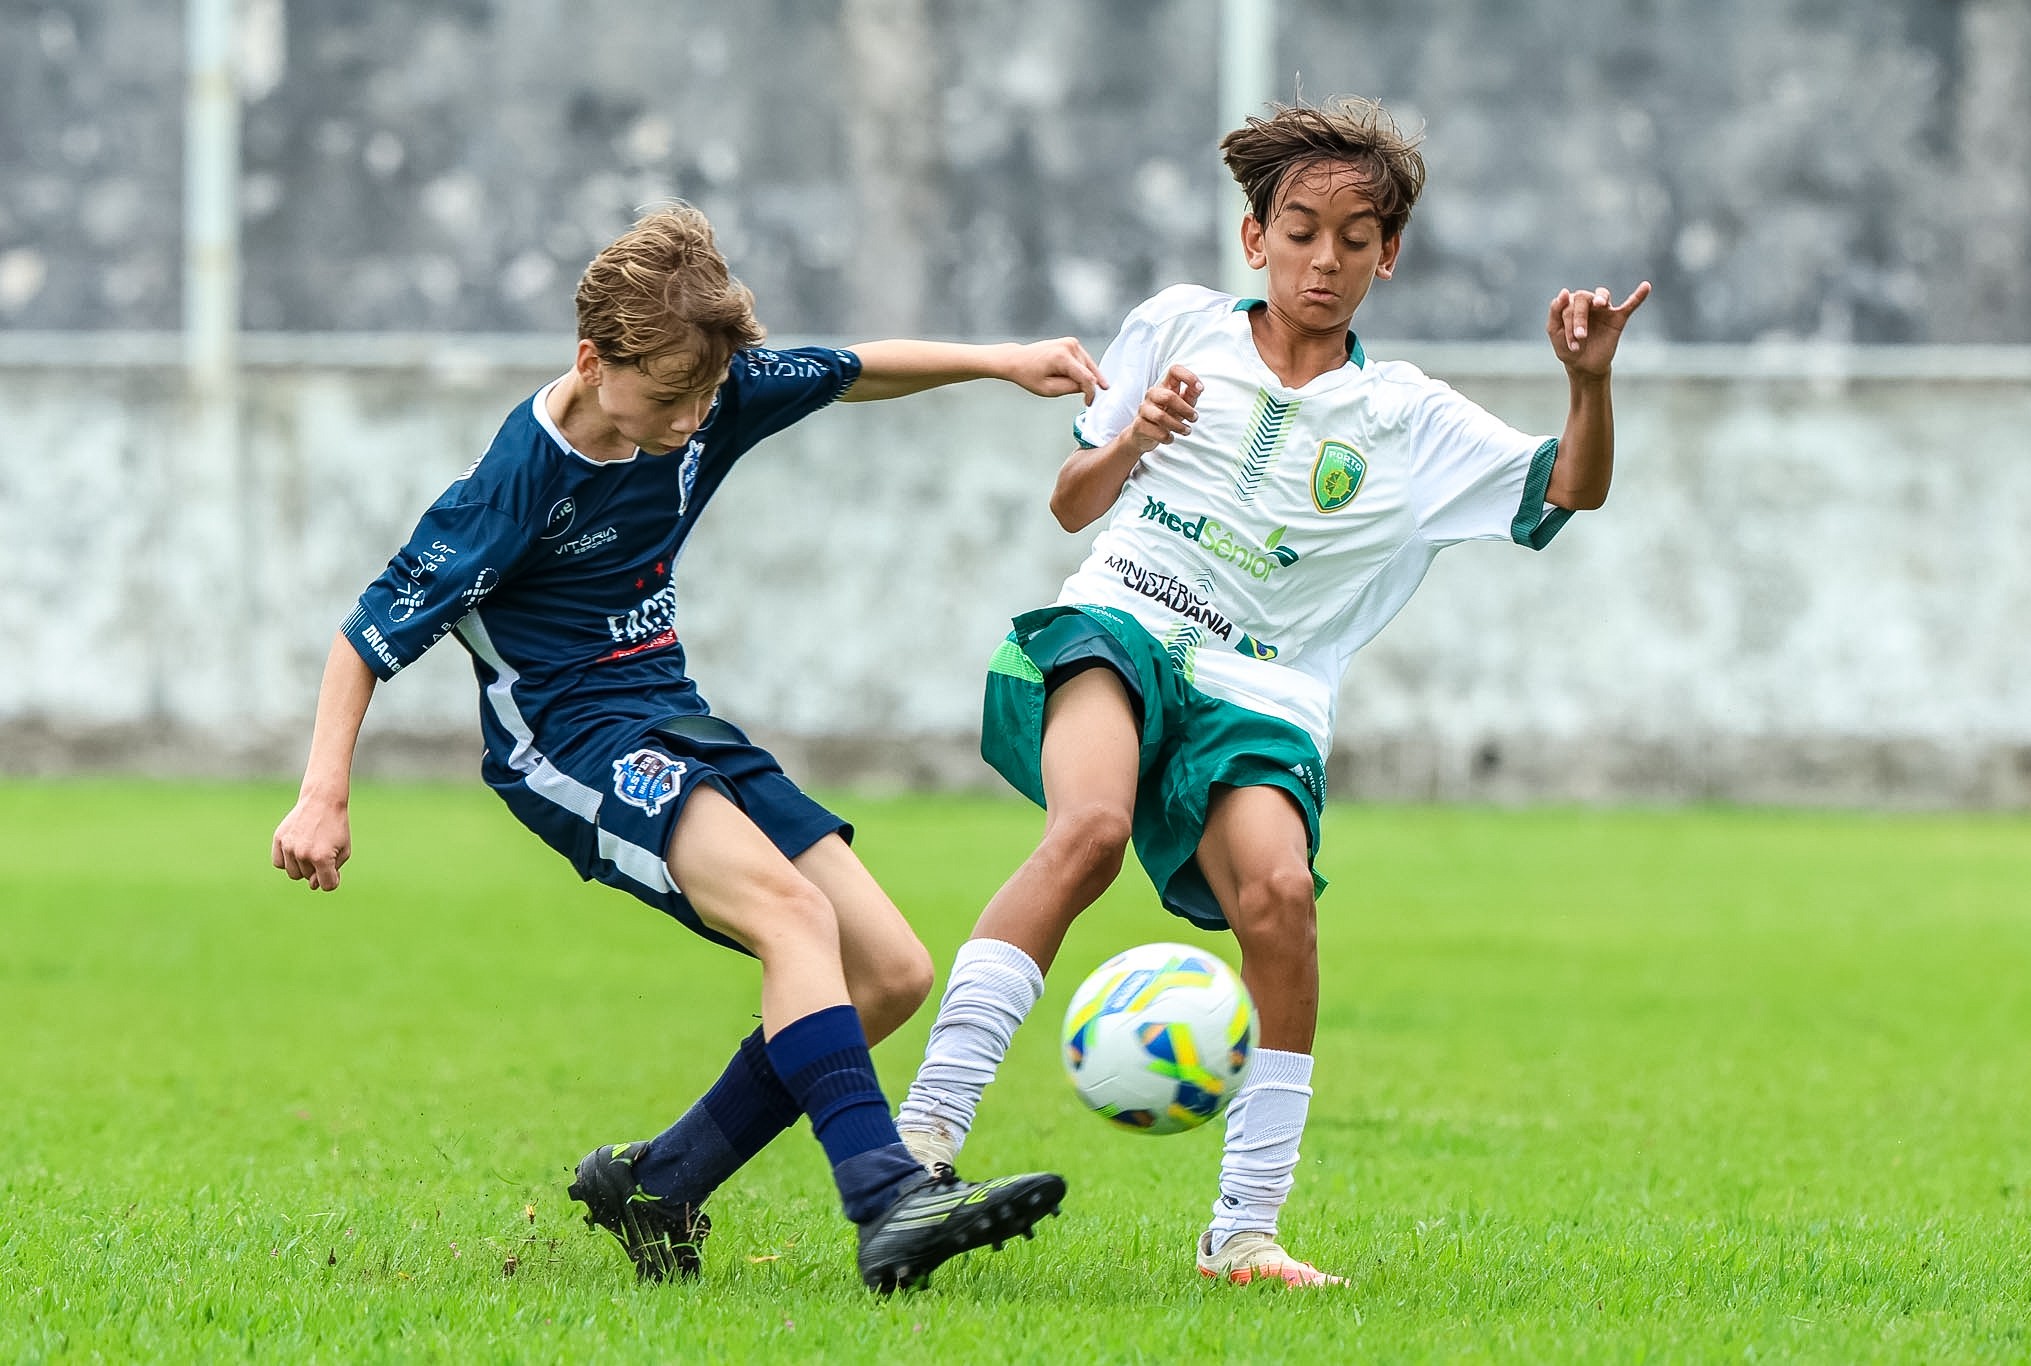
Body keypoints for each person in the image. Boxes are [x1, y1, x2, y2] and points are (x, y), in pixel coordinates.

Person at [269, 203, 1108, 1293]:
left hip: (675, 714)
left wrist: (1002, 363)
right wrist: (320, 794)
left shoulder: (707, 389)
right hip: (569, 740)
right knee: (793, 916)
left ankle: (661, 1183)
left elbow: (856, 368)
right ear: (592, 360)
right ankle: (889, 1198)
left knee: (891, 972)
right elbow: (365, 635)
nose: (691, 418)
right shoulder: (516, 483)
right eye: (668, 396)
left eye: (705, 395)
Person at [893, 98, 1650, 1287]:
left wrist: (1586, 383)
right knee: (1086, 831)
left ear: (1386, 255)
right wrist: (1132, 437)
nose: (1324, 259)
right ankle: (920, 1144)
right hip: (1122, 616)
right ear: (1255, 238)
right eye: (1300, 230)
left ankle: (1241, 1231)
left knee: (1283, 900)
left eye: (1354, 238)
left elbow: (1570, 489)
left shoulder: (1405, 416)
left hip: (1264, 689)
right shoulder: (1176, 327)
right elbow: (1070, 502)